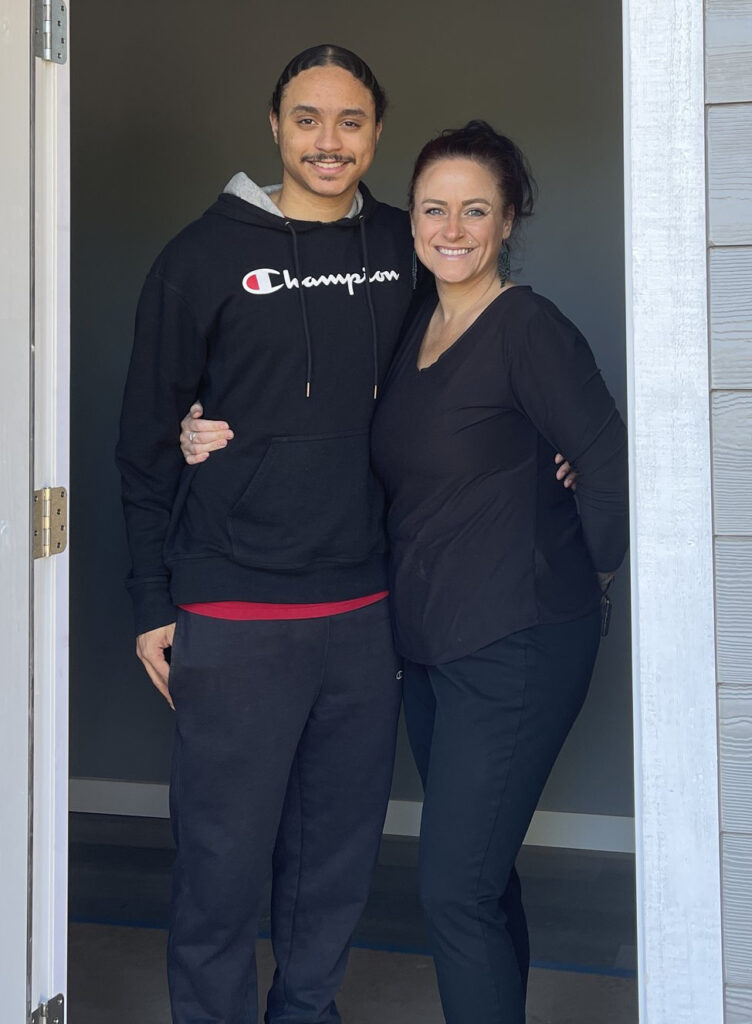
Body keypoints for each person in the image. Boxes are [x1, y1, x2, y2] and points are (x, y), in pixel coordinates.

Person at [116, 44, 416, 1024]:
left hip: (363, 608)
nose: (328, 143)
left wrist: (551, 451)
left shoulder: (407, 247)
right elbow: (146, 443)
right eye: (306, 119)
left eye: (349, 121)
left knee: (332, 854)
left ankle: (305, 1010)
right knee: (220, 855)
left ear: (374, 131)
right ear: (273, 127)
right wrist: (151, 603)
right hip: (233, 606)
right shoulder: (198, 257)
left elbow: (461, 380)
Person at [369, 122, 629, 1024]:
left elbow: (606, 460)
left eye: (475, 209)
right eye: (434, 208)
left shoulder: (526, 326)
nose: (452, 227)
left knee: (450, 891)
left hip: (516, 643)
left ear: (508, 220)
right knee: (477, 878)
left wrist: (577, 575)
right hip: (433, 651)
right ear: (411, 221)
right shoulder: (415, 326)